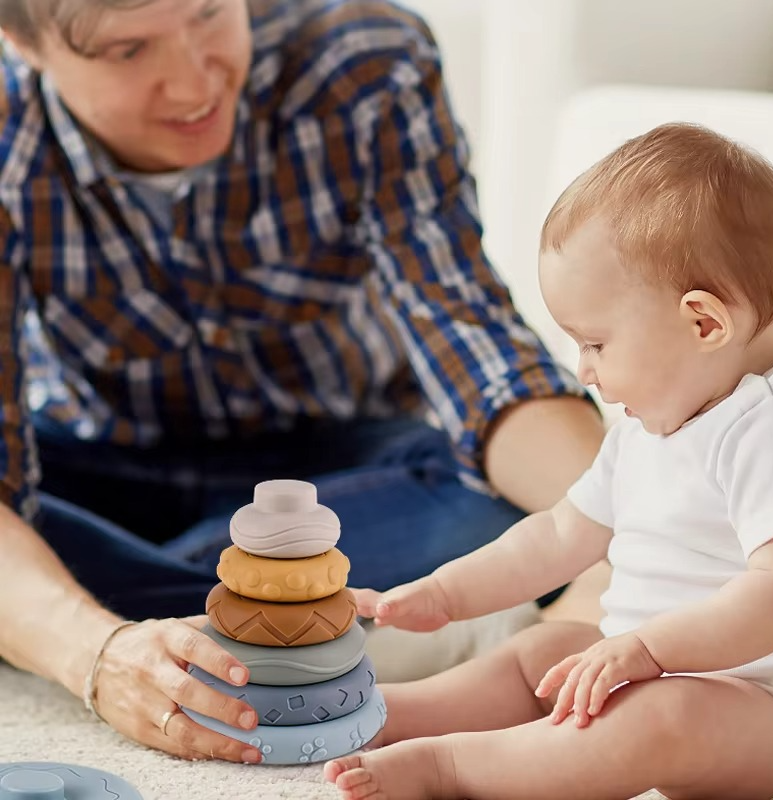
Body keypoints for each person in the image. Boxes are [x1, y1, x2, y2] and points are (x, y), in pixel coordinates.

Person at [0, 0, 605, 768]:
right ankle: (304, 625)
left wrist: (619, 528)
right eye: (129, 51)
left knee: (502, 505)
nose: (193, 82)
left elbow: (477, 350)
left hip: (342, 471)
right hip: (90, 466)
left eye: (209, 14)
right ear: (20, 42)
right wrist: (95, 654)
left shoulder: (365, 63)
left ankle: (147, 615)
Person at [325, 123, 773, 800]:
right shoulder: (645, 428)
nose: (584, 371)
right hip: (638, 666)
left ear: (703, 323)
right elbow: (556, 536)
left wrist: (650, 650)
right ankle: (392, 714)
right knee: (543, 654)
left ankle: (452, 769)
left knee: (660, 715)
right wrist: (445, 594)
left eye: (596, 344)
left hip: (761, 711)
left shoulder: (771, 426)